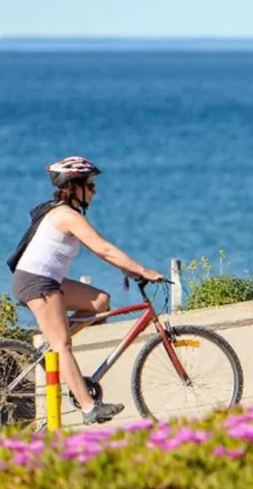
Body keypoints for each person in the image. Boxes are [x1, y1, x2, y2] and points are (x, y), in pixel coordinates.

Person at [9, 156, 164, 425]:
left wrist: (126, 270)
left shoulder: (64, 212)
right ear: (74, 187)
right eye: (90, 186)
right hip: (36, 282)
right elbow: (102, 248)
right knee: (63, 345)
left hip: (47, 280)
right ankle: (88, 407)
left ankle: (52, 346)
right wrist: (143, 270)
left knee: (100, 301)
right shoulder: (66, 215)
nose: (95, 191)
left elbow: (103, 253)